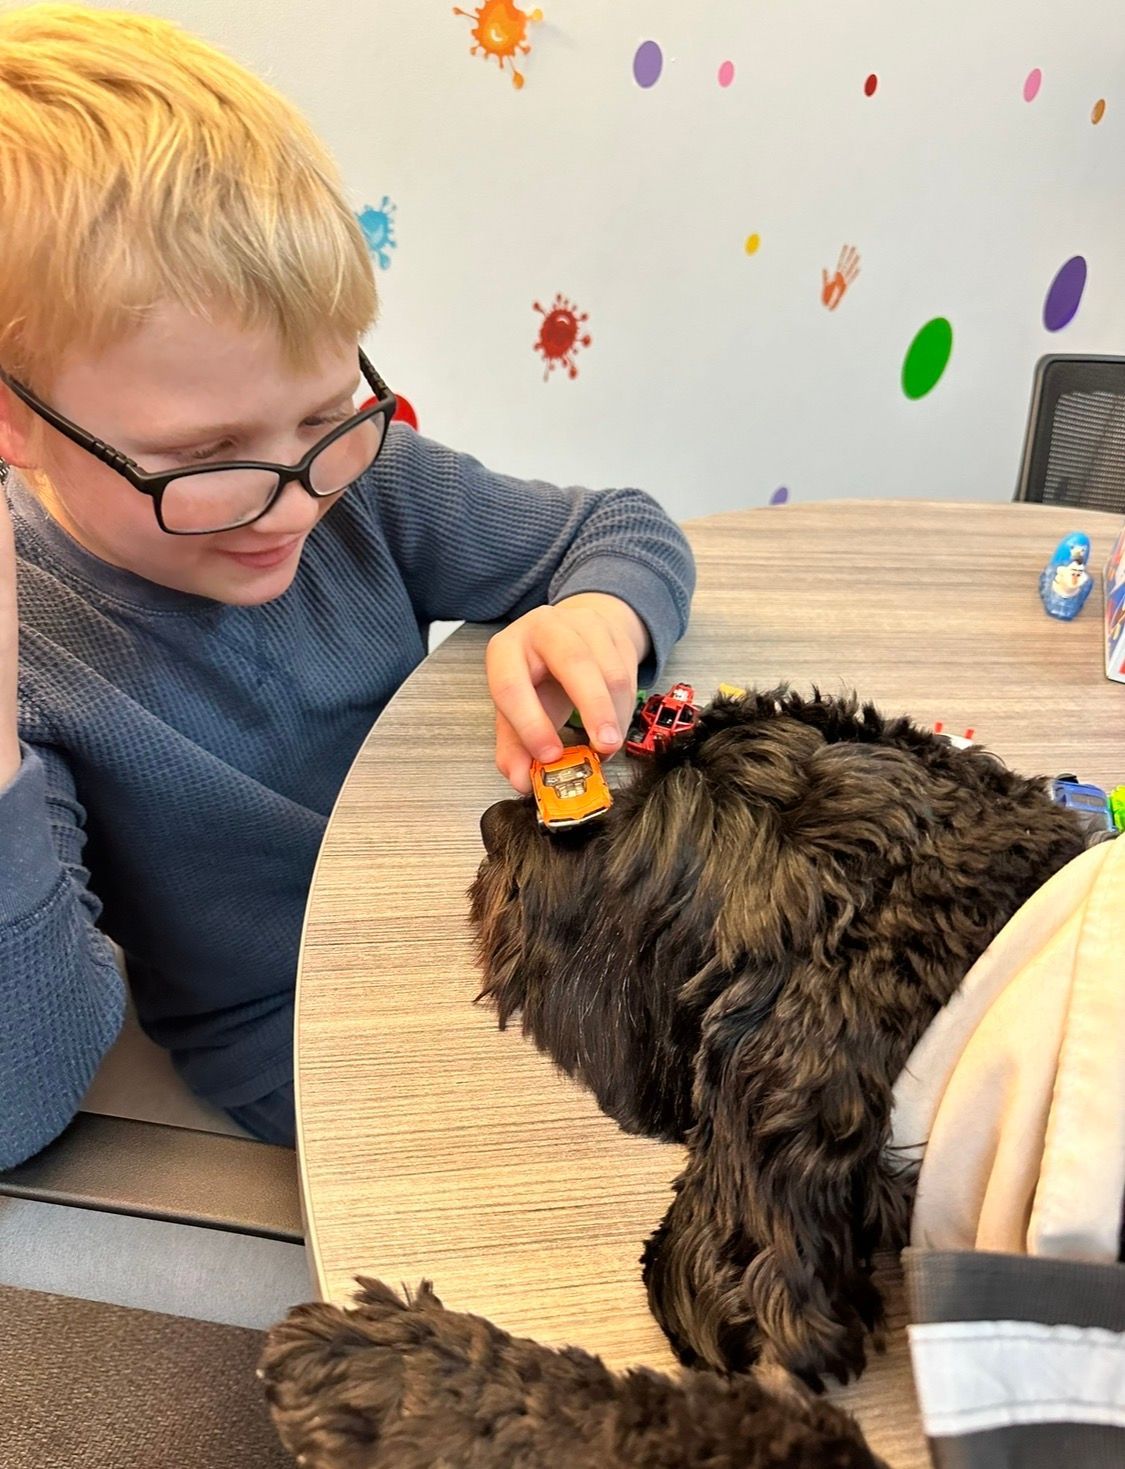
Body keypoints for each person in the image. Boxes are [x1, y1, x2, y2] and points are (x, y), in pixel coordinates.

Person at [0, 4, 694, 1162]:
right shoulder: (39, 666)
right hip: (306, 1029)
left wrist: (594, 613)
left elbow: (620, 527)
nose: (293, 505)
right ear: (17, 415)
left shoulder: (350, 481)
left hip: (504, 897)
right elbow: (22, 1102)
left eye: (328, 413)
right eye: (209, 460)